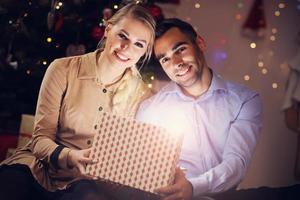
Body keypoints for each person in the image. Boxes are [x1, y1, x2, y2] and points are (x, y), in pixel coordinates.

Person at [0, 3, 155, 200]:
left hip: (89, 183)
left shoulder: (141, 95)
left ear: (144, 52)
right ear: (108, 29)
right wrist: (70, 156)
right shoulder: (62, 69)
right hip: (39, 168)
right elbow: (40, 140)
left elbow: (131, 160)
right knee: (9, 184)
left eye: (139, 44)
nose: (127, 48)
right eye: (122, 36)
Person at [136, 18, 262, 200]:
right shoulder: (151, 109)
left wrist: (192, 187)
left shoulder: (245, 101)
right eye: (165, 59)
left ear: (200, 43)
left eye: (180, 49)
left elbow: (236, 164)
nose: (176, 63)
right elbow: (141, 170)